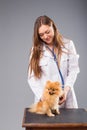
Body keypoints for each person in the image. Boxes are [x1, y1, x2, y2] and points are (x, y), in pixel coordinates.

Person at [28, 15, 80, 108]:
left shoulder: (68, 45)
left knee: (70, 122)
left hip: (65, 98)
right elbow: (31, 77)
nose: (45, 36)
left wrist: (66, 90)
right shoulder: (35, 50)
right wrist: (42, 95)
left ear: (53, 27)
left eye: (47, 32)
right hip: (45, 101)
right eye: (41, 35)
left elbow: (73, 70)